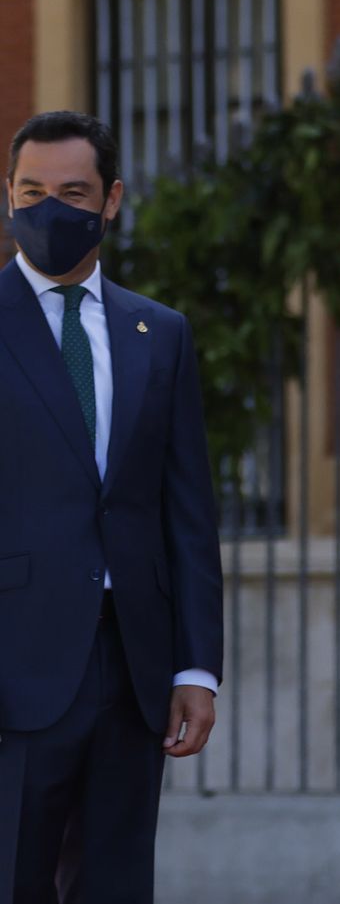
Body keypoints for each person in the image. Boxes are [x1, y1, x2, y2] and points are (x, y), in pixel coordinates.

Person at [0, 111, 224, 904]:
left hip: (132, 669)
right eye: (31, 191)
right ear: (8, 194)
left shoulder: (158, 333)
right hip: (15, 667)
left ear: (111, 200)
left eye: (71, 192)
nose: (48, 209)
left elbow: (186, 509)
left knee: (117, 883)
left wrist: (196, 666)